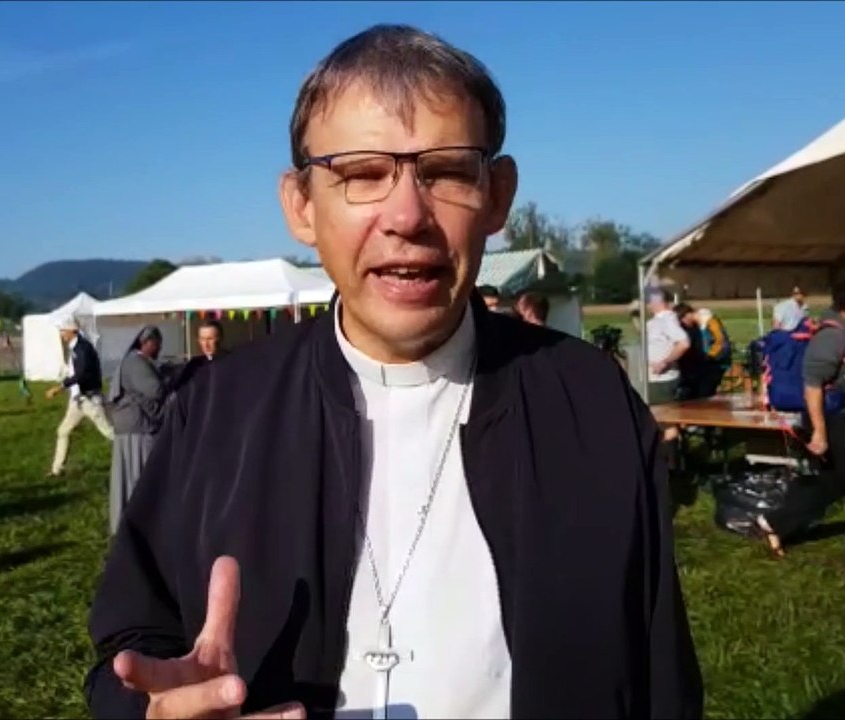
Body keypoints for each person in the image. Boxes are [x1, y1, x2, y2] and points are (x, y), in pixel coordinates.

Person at [86, 24, 701, 720]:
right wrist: (156, 709)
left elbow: (661, 679)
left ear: (498, 195)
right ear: (301, 206)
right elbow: (130, 650)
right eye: (361, 174)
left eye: (447, 171)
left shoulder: (589, 402)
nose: (407, 215)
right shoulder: (217, 411)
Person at [757, 279, 845, 578]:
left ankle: (775, 522)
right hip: (829, 419)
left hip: (834, 415)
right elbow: (812, 385)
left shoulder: (843, 331)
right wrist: (820, 432)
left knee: (835, 481)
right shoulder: (832, 336)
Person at [107, 326, 168, 535]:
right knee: (137, 473)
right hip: (137, 427)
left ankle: (128, 521)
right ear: (148, 342)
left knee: (128, 475)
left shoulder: (134, 361)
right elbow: (155, 390)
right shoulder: (136, 363)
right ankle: (137, 520)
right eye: (157, 344)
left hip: (131, 426)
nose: (159, 348)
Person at [45, 318, 114, 477]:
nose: (61, 334)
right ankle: (57, 469)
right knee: (63, 431)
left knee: (109, 431)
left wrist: (59, 387)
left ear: (72, 331)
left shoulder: (83, 349)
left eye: (63, 330)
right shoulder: (77, 347)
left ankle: (134, 454)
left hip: (89, 400)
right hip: (78, 400)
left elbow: (81, 374)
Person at [646, 289, 690, 405]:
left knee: (660, 411)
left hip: (662, 379)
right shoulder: (657, 321)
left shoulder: (666, 319)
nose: (646, 305)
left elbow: (684, 343)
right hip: (653, 378)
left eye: (648, 301)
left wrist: (665, 362)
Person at [177, 320, 229, 389]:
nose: (206, 344)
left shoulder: (231, 362)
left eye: (210, 339)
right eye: (202, 339)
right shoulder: (194, 364)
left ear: (220, 338)